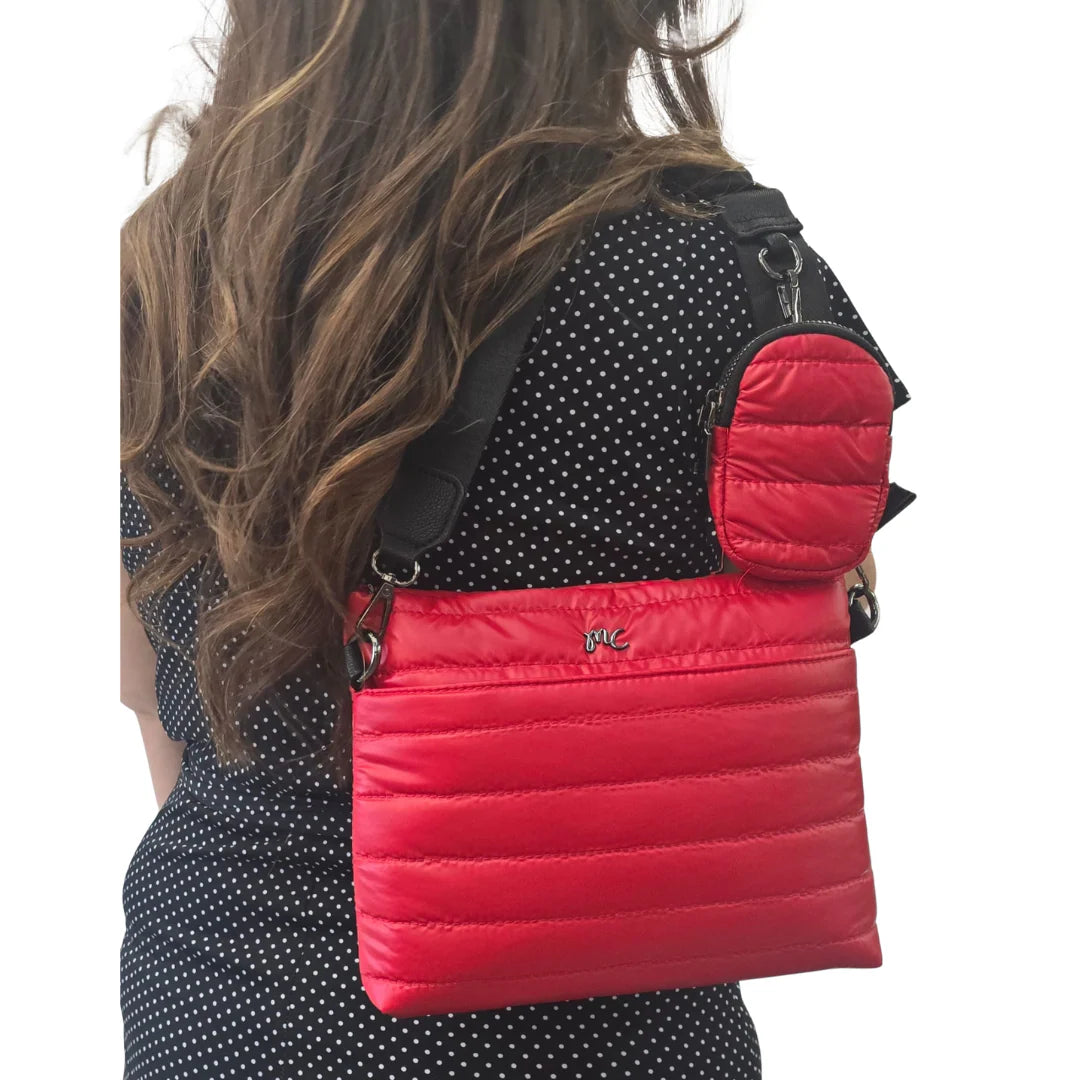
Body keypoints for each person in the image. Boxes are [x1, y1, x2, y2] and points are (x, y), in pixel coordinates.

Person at [120, 3, 881, 1076]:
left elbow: (146, 689)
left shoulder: (170, 261)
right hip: (624, 1026)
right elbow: (811, 625)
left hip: (226, 990)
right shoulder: (744, 269)